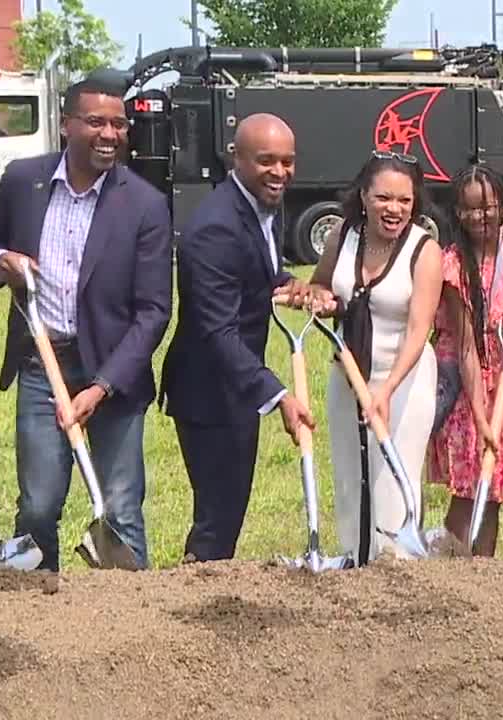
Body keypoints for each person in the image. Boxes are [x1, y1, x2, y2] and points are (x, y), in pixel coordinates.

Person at [0, 78, 173, 571]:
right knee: (38, 506)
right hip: (43, 365)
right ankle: (38, 615)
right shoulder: (24, 181)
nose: (110, 133)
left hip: (112, 374)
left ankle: (133, 625)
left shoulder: (145, 204)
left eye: (119, 123)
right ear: (66, 125)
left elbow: (154, 311)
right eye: (96, 122)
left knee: (121, 510)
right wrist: (1, 261)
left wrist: (102, 386)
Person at [160, 113, 316, 563]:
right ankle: (195, 603)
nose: (280, 172)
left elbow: (254, 276)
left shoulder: (262, 205)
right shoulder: (216, 227)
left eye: (287, 162)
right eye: (266, 161)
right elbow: (217, 331)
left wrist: (288, 284)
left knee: (226, 516)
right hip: (207, 393)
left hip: (233, 389)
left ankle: (207, 593)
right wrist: (279, 394)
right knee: (216, 518)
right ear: (237, 158)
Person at [307, 151, 442, 562]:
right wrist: (320, 300)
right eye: (384, 198)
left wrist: (387, 388)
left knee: (391, 479)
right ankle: (353, 561)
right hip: (348, 376)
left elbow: (420, 330)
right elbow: (321, 287)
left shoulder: (425, 250)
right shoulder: (343, 236)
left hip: (404, 379)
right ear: (364, 196)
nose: (394, 209)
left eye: (404, 200)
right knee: (350, 479)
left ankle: (396, 566)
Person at [426, 165, 503, 556]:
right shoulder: (452, 264)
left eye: (487, 208)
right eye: (469, 209)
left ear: (502, 206)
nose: (479, 217)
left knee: (493, 491)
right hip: (464, 383)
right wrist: (481, 415)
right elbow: (467, 346)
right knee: (469, 486)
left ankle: (485, 570)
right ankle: (454, 567)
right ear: (456, 212)